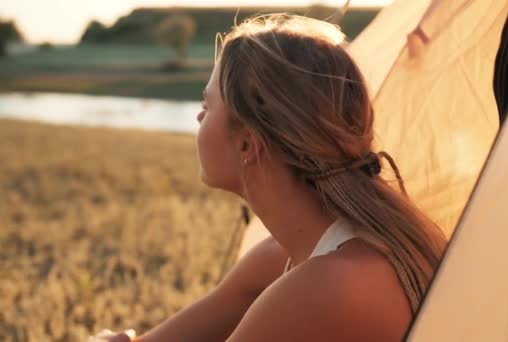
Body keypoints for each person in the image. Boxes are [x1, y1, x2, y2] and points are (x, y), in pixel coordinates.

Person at [89, 14, 446, 342]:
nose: (199, 118)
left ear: (247, 143)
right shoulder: (285, 255)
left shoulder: (327, 285)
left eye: (207, 106)